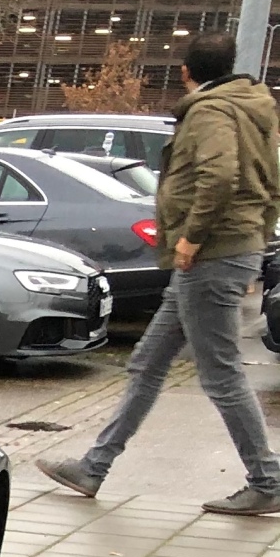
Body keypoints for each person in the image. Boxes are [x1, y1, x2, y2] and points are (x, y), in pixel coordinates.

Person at [38, 31, 280, 516]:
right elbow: (271, 182)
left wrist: (193, 237)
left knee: (221, 372)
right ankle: (94, 467)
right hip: (226, 251)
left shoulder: (211, 111)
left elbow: (220, 175)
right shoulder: (257, 108)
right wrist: (256, 239)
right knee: (147, 362)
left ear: (187, 72)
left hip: (209, 255)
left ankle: (268, 480)